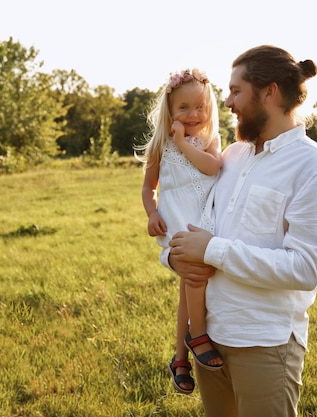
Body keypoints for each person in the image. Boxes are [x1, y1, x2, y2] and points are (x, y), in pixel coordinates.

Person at [164, 45, 317, 416]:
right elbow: (186, 221)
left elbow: (305, 270)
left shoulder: (314, 168)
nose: (226, 102)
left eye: (236, 91)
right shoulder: (230, 157)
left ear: (269, 92)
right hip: (209, 340)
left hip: (265, 343)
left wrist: (211, 250)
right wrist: (173, 257)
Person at [138, 68, 224, 395]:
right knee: (195, 276)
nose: (193, 115)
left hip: (203, 221)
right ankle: (198, 335)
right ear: (169, 112)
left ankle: (179, 359)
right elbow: (149, 188)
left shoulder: (209, 140)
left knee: (190, 285)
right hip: (177, 222)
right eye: (183, 108)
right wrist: (150, 214)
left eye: (200, 107)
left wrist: (183, 143)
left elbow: (212, 167)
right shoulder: (160, 145)